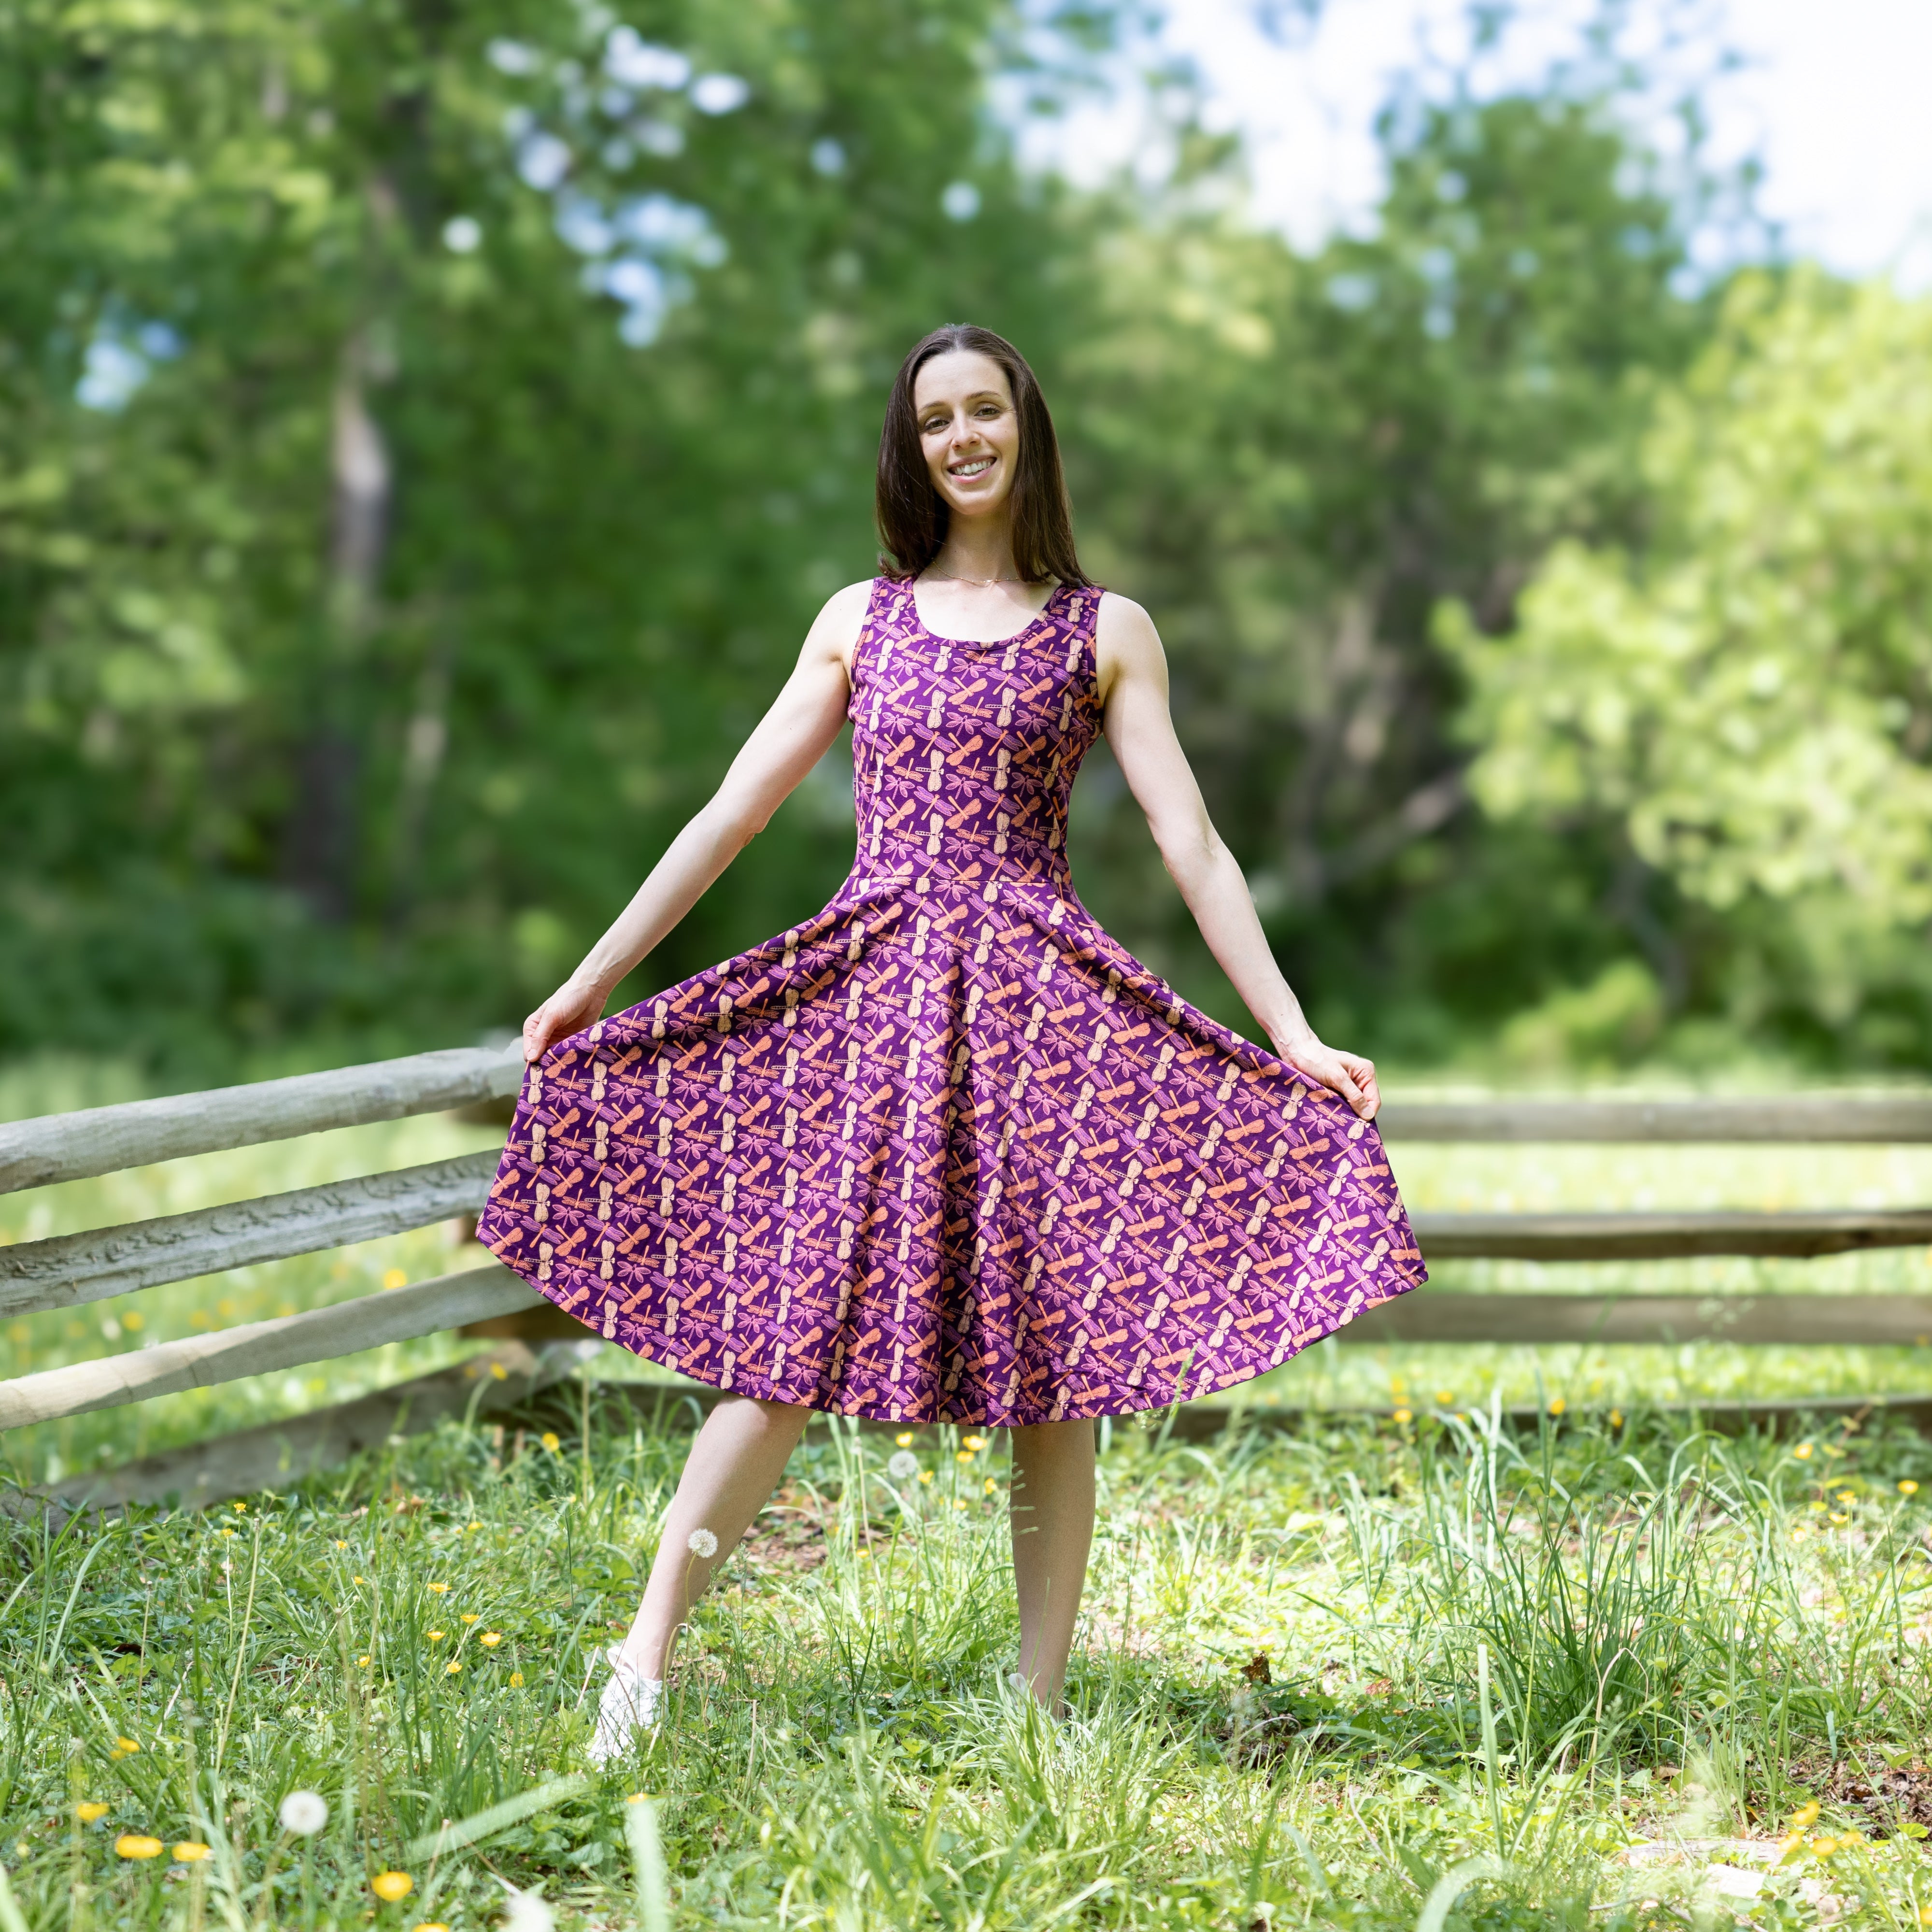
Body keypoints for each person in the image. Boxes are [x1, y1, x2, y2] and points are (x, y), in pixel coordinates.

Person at [474, 324, 1426, 1760]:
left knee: (1059, 1361)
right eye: (936, 420)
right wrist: (594, 979)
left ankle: (1037, 1710)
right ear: (911, 448)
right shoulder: (859, 617)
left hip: (1040, 1018)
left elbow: (1191, 840)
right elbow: (729, 814)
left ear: (1027, 429)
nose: (963, 437)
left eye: (986, 411)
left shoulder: (1108, 630)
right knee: (790, 1333)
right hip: (874, 997)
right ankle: (644, 1666)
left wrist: (1288, 1029)